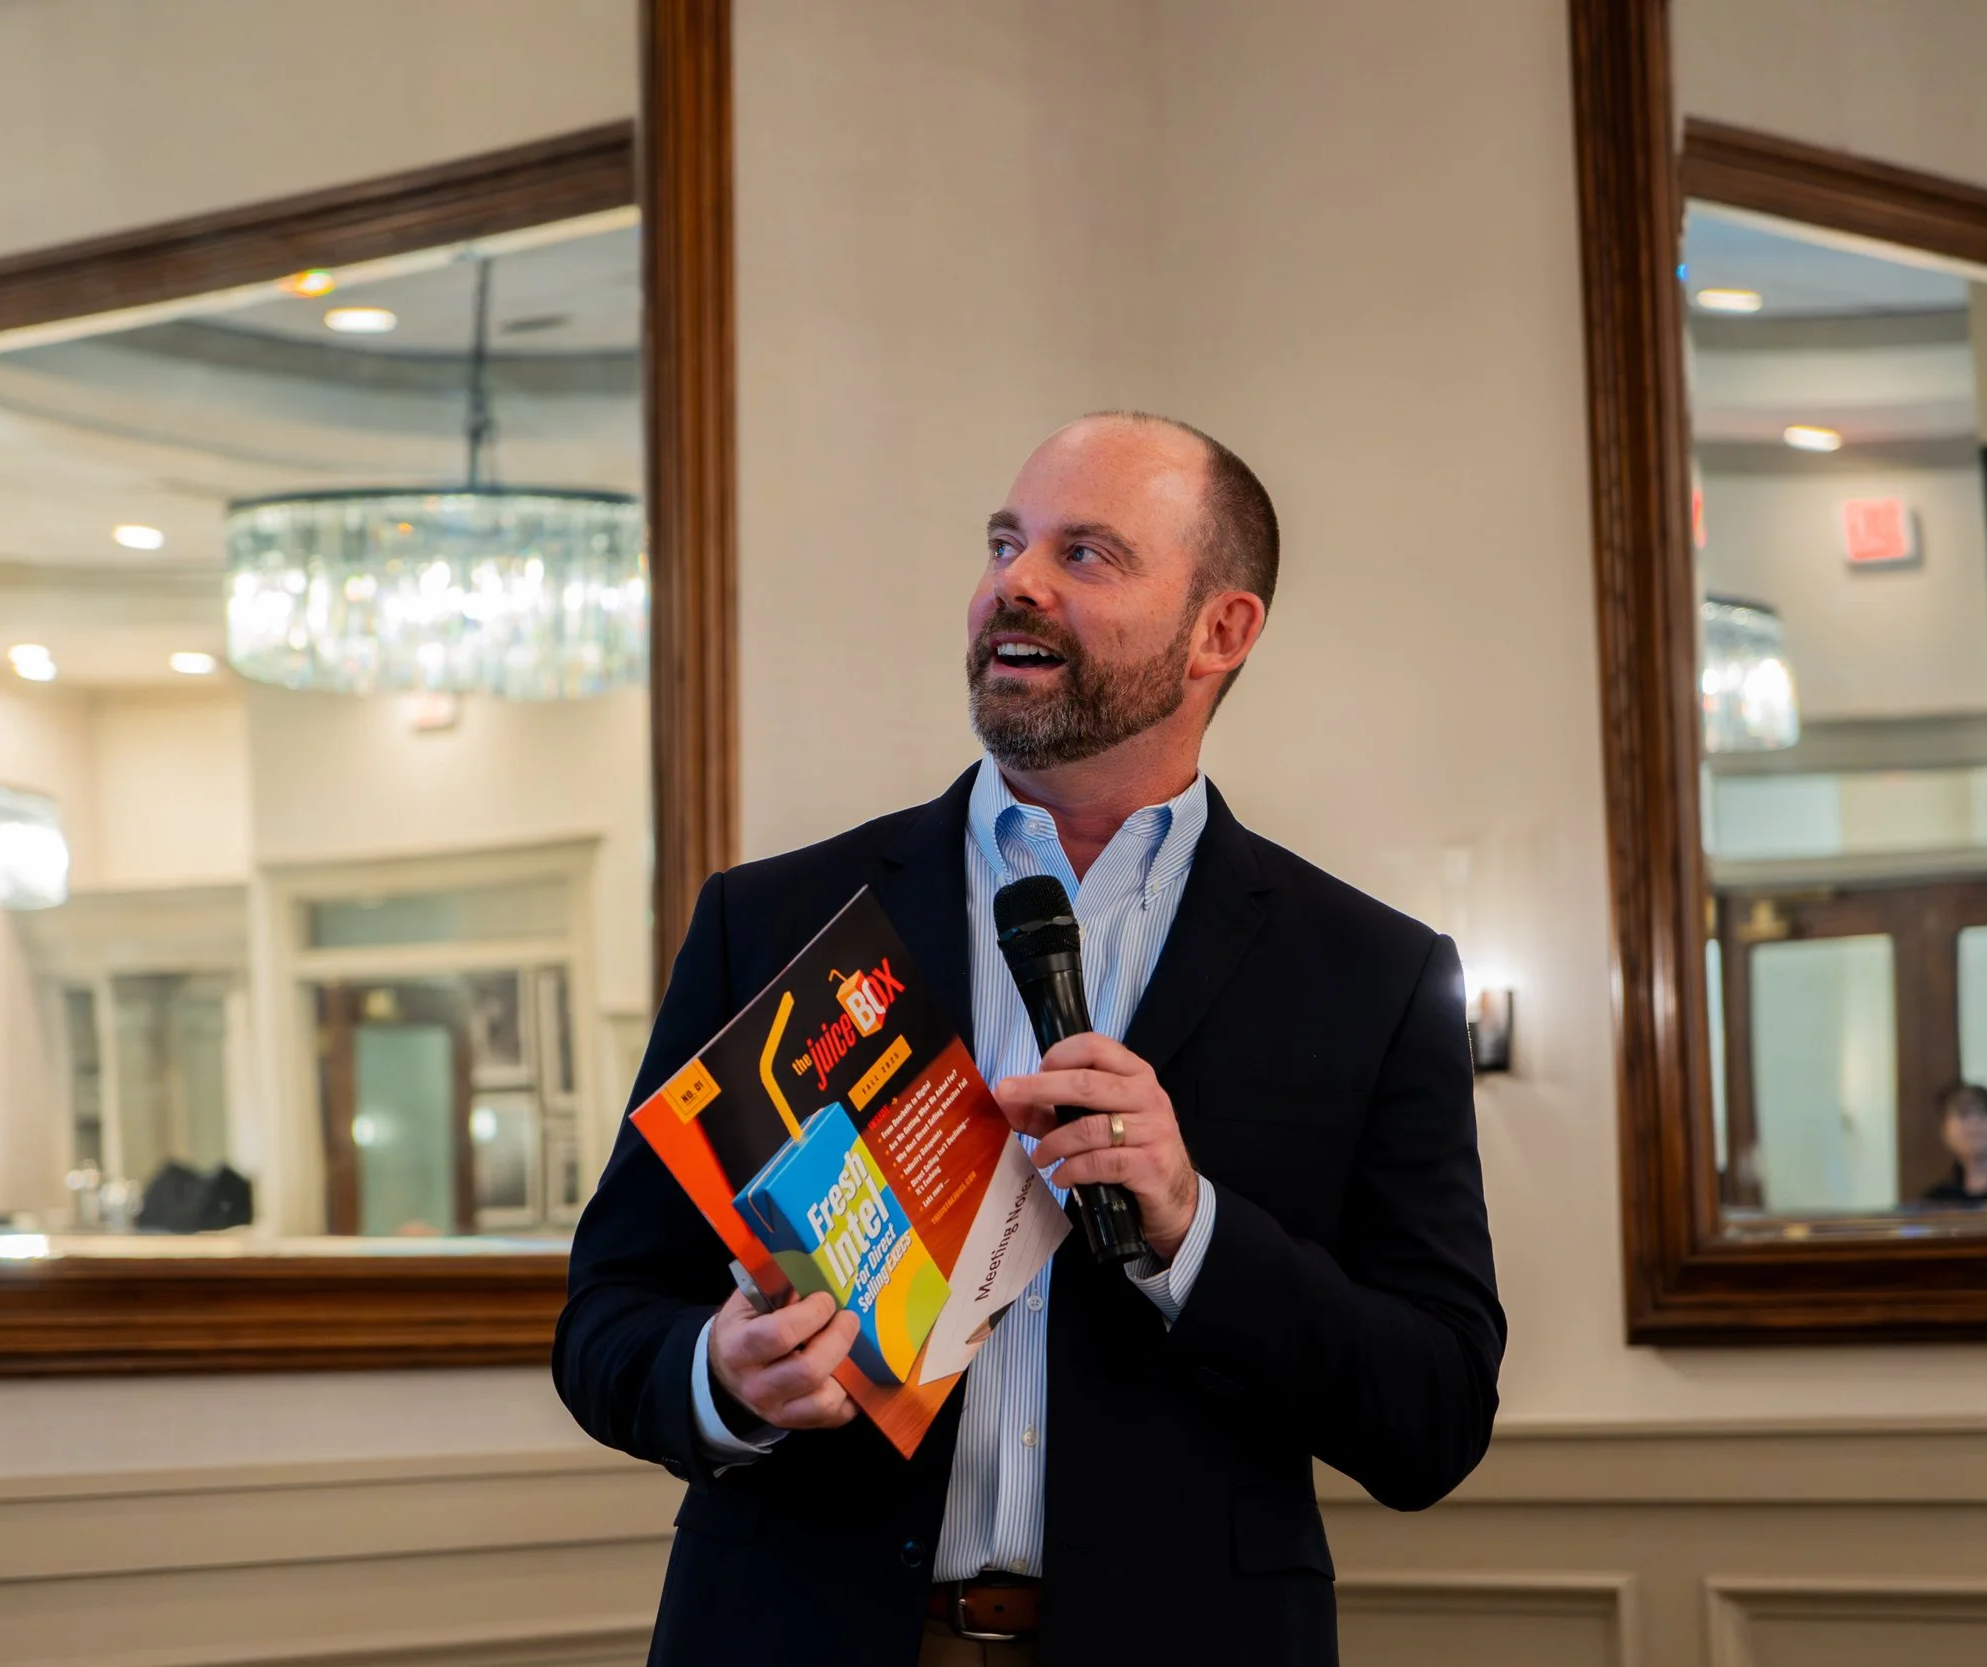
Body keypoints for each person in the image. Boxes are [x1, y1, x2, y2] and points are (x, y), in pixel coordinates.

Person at [553, 412, 1506, 1667]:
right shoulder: (774, 920)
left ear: (1221, 630)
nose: (1016, 582)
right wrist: (721, 1377)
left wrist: (1193, 1229)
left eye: (1085, 553)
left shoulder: (1370, 974)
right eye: (1005, 543)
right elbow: (607, 1316)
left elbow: (1434, 1413)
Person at [1921, 1080, 1987, 1205]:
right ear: (1945, 1130)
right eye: (1963, 1115)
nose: (1975, 1121)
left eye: (1983, 1113)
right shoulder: (1935, 1202)